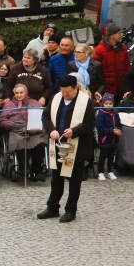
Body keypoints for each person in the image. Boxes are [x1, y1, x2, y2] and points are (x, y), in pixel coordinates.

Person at [38, 75, 95, 223]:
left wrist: (74, 131)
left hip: (77, 147)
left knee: (74, 181)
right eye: (62, 91)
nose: (64, 95)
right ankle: (52, 207)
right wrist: (51, 130)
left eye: (68, 92)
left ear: (75, 88)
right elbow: (45, 117)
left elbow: (89, 125)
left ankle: (71, 210)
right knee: (56, 178)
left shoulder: (86, 102)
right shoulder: (55, 98)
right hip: (58, 144)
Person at [0, 83, 47, 180]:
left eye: (21, 92)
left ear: (25, 92)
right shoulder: (8, 105)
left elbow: (42, 117)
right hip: (17, 130)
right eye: (17, 93)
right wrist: (12, 125)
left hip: (33, 130)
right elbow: (2, 120)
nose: (19, 95)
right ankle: (24, 169)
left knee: (40, 144)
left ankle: (36, 170)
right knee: (20, 142)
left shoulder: (34, 103)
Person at [93, 24, 130, 98]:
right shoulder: (99, 50)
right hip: (107, 90)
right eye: (119, 33)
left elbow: (127, 66)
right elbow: (95, 71)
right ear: (111, 35)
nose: (122, 35)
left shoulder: (123, 48)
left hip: (121, 89)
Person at [96, 93, 122, 180]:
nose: (108, 105)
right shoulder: (101, 114)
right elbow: (100, 128)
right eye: (106, 103)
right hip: (104, 140)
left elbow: (119, 124)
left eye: (110, 103)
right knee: (102, 157)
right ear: (103, 103)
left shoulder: (115, 113)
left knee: (111, 156)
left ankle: (110, 171)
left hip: (114, 140)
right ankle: (100, 172)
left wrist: (119, 129)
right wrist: (112, 131)